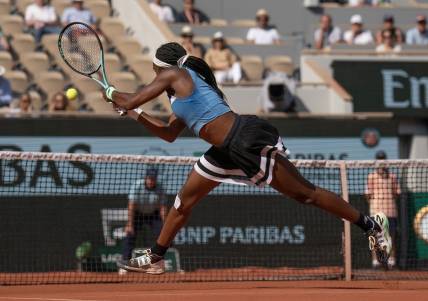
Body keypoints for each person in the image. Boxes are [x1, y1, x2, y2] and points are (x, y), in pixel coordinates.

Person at [102, 42, 392, 274]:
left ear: (161, 66)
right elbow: (168, 133)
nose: (155, 74)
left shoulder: (175, 74)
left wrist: (112, 92)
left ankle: (371, 225)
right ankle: (156, 257)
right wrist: (134, 113)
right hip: (222, 151)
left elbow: (130, 98)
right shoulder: (179, 95)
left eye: (154, 69)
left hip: (243, 140)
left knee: (306, 194)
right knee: (182, 203)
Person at [120, 168, 167, 275]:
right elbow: (131, 206)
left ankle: (158, 263)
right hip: (138, 214)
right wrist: (129, 224)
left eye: (153, 179)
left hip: (153, 215)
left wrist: (165, 225)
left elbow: (162, 208)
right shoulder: (137, 186)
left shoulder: (160, 188)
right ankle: (125, 264)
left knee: (163, 235)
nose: (151, 181)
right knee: (129, 235)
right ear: (145, 178)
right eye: (149, 178)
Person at [366, 151, 401, 268]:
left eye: (383, 159)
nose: (381, 162)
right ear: (376, 161)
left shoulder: (393, 177)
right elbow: (368, 195)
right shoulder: (371, 177)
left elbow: (397, 193)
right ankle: (375, 261)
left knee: (391, 236)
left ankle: (392, 260)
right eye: (379, 159)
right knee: (375, 236)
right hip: (376, 211)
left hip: (390, 211)